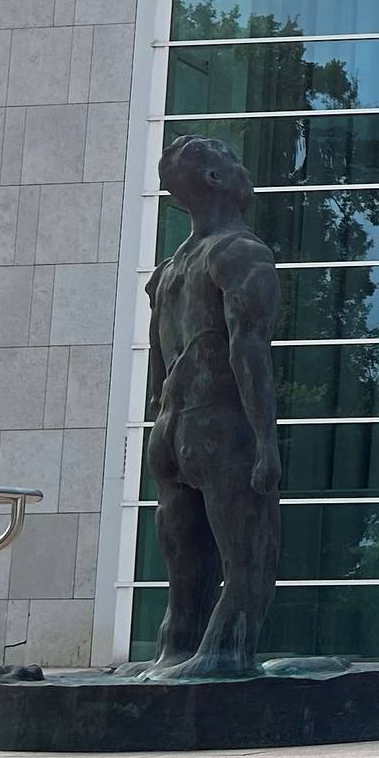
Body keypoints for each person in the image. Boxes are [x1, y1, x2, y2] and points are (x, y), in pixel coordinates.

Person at [134, 135, 282, 680]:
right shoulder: (241, 253)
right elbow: (248, 348)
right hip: (220, 425)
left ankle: (177, 648)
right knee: (249, 556)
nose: (244, 171)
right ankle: (223, 653)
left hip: (171, 428)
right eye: (233, 163)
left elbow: (158, 362)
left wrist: (162, 426)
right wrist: (265, 442)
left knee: (185, 558)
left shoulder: (169, 270)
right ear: (217, 180)